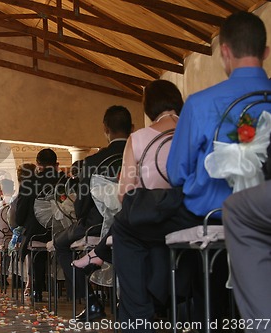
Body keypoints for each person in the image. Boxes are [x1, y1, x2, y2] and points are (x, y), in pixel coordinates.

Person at [109, 12, 271, 332]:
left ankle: (139, 323)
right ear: (265, 52)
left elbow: (176, 171)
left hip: (209, 214)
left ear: (224, 52)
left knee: (125, 227)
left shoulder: (200, 103)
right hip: (264, 211)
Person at [71, 80, 183, 320]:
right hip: (197, 216)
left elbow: (124, 193)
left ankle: (137, 312)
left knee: (127, 226)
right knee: (133, 227)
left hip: (151, 219)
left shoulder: (140, 139)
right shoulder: (196, 130)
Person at [54, 105, 132, 319]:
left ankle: (91, 303)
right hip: (136, 221)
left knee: (60, 244)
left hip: (95, 226)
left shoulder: (91, 162)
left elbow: (81, 207)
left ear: (105, 129)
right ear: (132, 128)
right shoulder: (140, 154)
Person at [223, 133, 271, 331]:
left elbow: (176, 172)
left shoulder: (197, 107)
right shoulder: (261, 103)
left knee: (236, 210)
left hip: (204, 209)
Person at [16, 148, 67, 302]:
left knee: (36, 253)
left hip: (37, 232)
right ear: (56, 164)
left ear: (38, 164)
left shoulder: (29, 182)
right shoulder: (64, 181)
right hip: (62, 230)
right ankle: (68, 288)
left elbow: (20, 215)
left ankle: (37, 290)